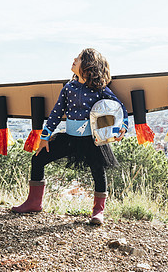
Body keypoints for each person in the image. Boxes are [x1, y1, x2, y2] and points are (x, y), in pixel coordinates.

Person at [12, 48, 128, 225]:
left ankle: (98, 211)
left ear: (89, 65)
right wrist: (45, 136)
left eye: (79, 58)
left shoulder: (100, 89)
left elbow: (119, 108)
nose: (74, 59)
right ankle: (34, 202)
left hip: (92, 141)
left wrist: (123, 127)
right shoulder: (69, 87)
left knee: (99, 171)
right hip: (69, 139)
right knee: (37, 159)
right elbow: (57, 113)